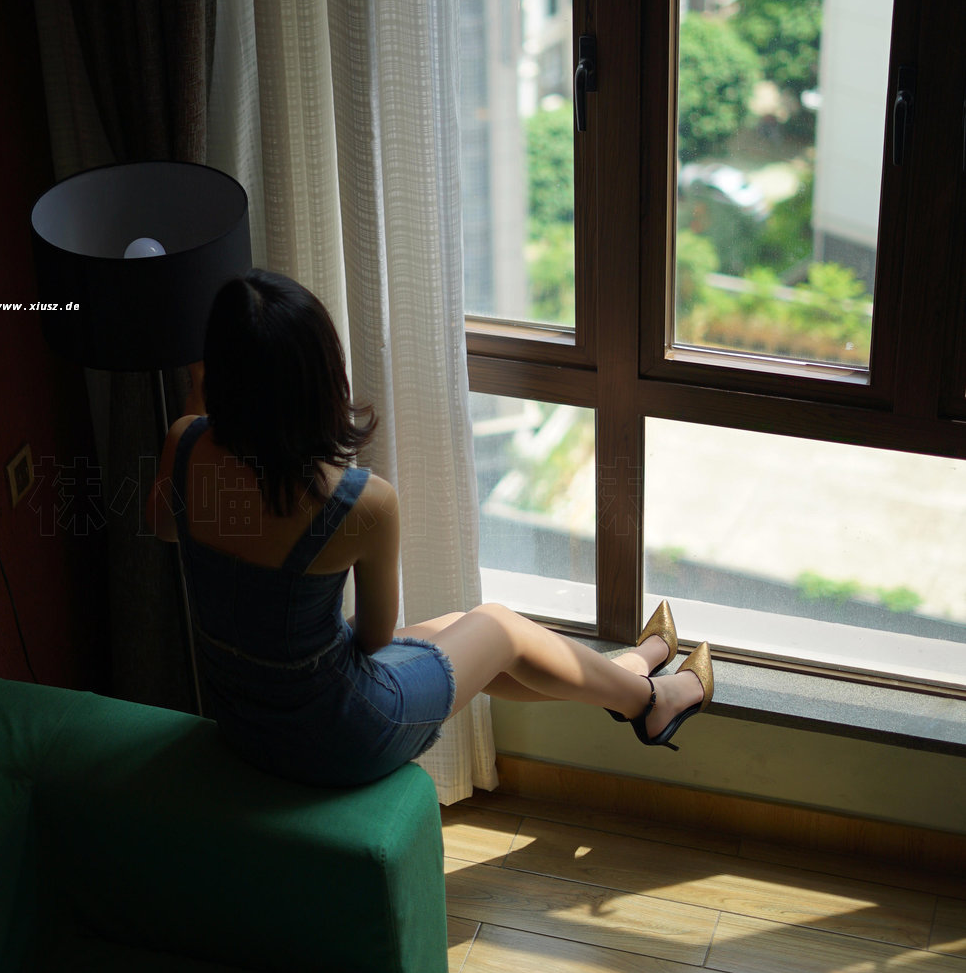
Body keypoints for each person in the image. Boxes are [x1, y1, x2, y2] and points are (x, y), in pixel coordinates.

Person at [146, 269, 712, 787]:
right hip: (339, 735)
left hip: (247, 723)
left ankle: (625, 677)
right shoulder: (357, 501)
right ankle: (651, 701)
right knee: (498, 626)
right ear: (318, 378)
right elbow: (374, 640)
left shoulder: (183, 444)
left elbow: (165, 529)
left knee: (460, 629)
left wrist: (198, 403)